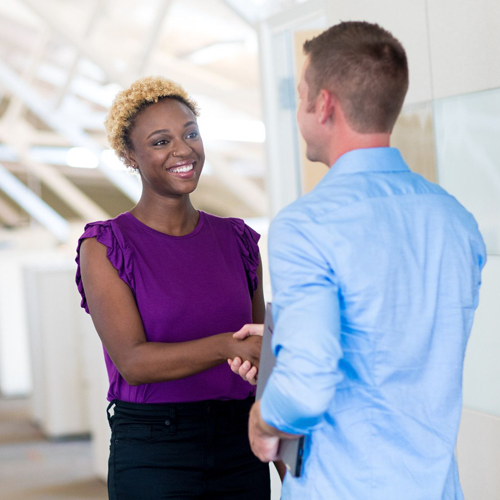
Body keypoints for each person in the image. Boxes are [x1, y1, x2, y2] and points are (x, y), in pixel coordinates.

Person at [231, 21, 486, 499]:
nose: (299, 110)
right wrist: (286, 334)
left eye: (301, 94)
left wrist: (263, 419)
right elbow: (405, 329)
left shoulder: (305, 225)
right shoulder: (456, 220)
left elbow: (307, 386)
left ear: (323, 104)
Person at [75, 76, 275, 499]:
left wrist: (290, 463)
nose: (183, 150)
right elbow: (133, 362)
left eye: (191, 134)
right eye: (161, 141)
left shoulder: (237, 240)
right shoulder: (107, 246)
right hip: (154, 450)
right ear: (131, 156)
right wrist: (226, 346)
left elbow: (260, 358)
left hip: (241, 442)